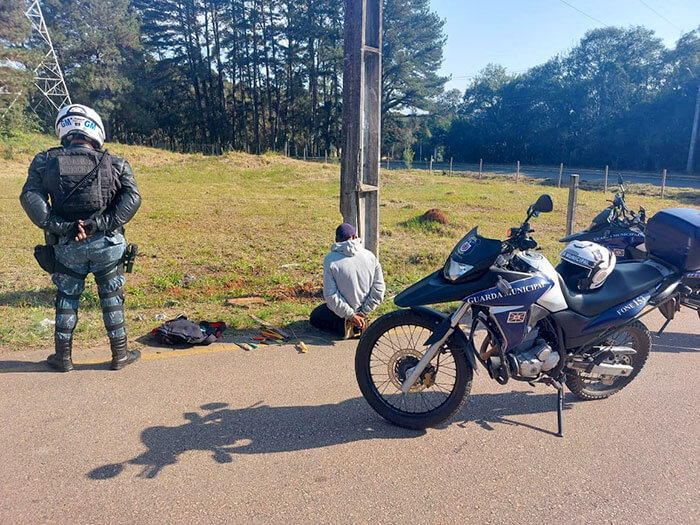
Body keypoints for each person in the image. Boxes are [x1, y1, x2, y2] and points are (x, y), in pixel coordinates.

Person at [20, 104, 142, 372]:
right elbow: (132, 198)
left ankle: (63, 358)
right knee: (111, 295)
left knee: (66, 296)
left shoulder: (44, 161)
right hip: (107, 242)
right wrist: (100, 224)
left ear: (64, 130)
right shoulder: (116, 163)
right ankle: (120, 354)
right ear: (95, 131)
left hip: (67, 244)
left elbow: (30, 197)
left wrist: (62, 226)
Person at [310, 223, 385, 338]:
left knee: (315, 317)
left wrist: (350, 315)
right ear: (355, 237)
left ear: (336, 239)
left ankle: (347, 325)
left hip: (343, 313)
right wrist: (363, 312)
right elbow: (379, 290)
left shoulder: (330, 260)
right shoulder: (370, 256)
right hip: (364, 309)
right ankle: (361, 322)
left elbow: (330, 295)